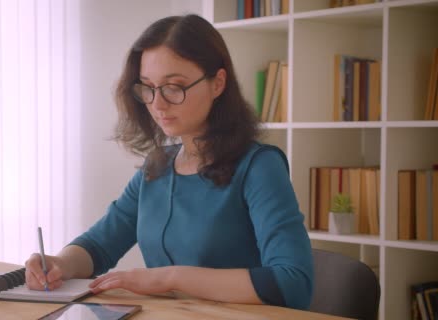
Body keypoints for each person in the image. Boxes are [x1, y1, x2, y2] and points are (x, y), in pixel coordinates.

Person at [25, 14, 313, 310]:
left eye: (174, 87)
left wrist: (170, 279)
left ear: (218, 83)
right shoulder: (157, 167)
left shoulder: (260, 167)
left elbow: (292, 282)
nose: (157, 104)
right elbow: (98, 246)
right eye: (148, 87)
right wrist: (60, 263)